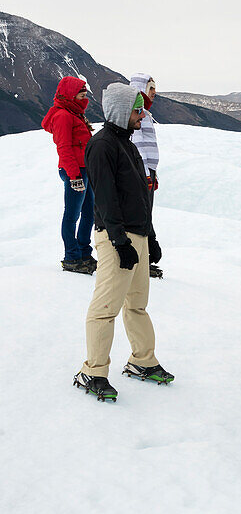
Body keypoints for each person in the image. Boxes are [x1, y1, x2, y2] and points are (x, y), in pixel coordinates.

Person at [73, 84, 173, 401]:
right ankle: (94, 371)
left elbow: (139, 197)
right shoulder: (102, 146)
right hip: (117, 237)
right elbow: (104, 198)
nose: (142, 114)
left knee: (137, 304)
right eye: (136, 109)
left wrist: (150, 237)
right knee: (105, 308)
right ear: (119, 111)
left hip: (137, 235)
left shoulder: (127, 144)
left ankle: (142, 361)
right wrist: (118, 240)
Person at [42, 76, 95, 274]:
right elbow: (63, 147)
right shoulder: (63, 115)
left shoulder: (75, 112)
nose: (85, 99)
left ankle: (83, 252)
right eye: (81, 95)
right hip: (74, 171)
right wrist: (74, 177)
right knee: (72, 215)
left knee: (89, 213)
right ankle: (71, 257)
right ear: (72, 95)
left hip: (85, 169)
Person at [128, 74, 162, 278]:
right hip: (143, 171)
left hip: (148, 170)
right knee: (143, 213)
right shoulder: (138, 114)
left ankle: (145, 257)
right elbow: (138, 144)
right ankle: (142, 259)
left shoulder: (144, 113)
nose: (154, 94)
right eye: (151, 90)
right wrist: (145, 173)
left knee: (146, 213)